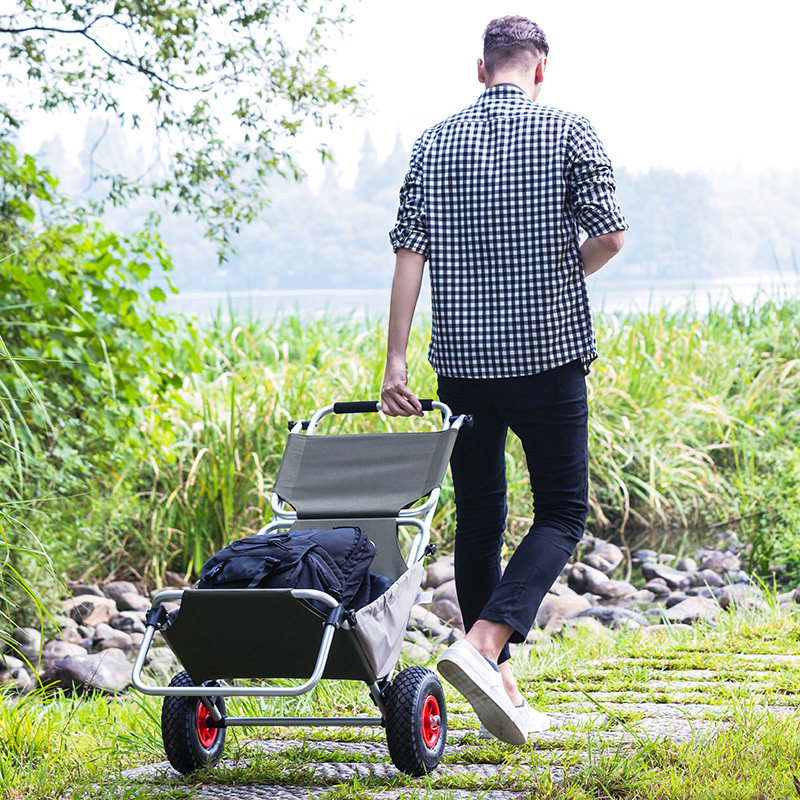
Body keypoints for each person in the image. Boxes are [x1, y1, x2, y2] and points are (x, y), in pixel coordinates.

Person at [380, 16, 628, 744]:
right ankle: (485, 644)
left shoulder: (433, 143)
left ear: (480, 68)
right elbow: (610, 233)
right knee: (560, 513)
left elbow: (408, 252)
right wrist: (554, 280)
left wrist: (396, 360)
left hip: (461, 365)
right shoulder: (571, 131)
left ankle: (501, 684)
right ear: (541, 69)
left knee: (481, 519)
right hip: (548, 359)